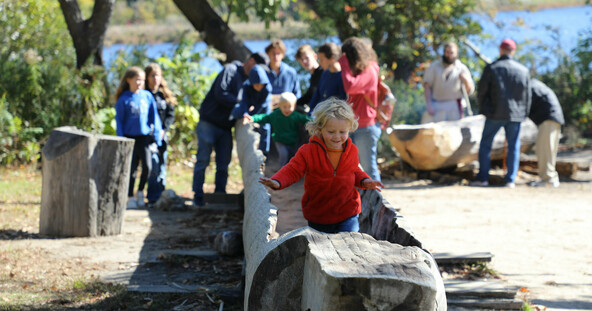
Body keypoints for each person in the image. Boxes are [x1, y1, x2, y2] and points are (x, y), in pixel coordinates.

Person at [259, 98, 384, 233]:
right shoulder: (308, 151)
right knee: (323, 249)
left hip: (348, 212)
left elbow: (354, 171)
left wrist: (365, 181)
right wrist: (278, 181)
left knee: (348, 242)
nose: (337, 136)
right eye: (331, 132)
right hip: (319, 215)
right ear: (319, 129)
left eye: (342, 132)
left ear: (349, 129)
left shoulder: (351, 150)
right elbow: (292, 169)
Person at [192, 52, 269, 207]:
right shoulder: (231, 70)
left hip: (227, 127)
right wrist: (241, 106)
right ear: (251, 61)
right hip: (209, 122)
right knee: (203, 160)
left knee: (223, 163)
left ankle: (219, 196)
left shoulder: (251, 81)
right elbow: (221, 93)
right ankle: (198, 197)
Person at [472, 39, 531, 188]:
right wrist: (524, 113)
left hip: (494, 114)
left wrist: (485, 110)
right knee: (514, 146)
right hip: (515, 115)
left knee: (486, 144)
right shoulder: (523, 70)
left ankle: (483, 178)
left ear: (500, 50)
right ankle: (510, 180)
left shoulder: (492, 68)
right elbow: (527, 96)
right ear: (513, 51)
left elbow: (481, 92)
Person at [115, 66, 163, 208]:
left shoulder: (147, 96)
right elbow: (119, 121)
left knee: (148, 167)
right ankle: (130, 196)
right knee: (131, 169)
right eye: (137, 79)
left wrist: (157, 135)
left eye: (142, 80)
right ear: (128, 80)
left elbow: (154, 117)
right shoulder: (123, 99)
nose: (140, 83)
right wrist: (121, 139)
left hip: (144, 137)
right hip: (129, 138)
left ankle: (141, 191)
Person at [338, 37, 382, 182]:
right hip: (353, 126)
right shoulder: (358, 72)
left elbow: (350, 86)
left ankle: (379, 202)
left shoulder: (370, 70)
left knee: (369, 169)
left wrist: (343, 64)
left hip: (366, 127)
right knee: (352, 168)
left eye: (347, 57)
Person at [244, 92, 311, 166]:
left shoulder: (296, 115)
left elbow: (306, 119)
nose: (287, 109)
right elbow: (265, 117)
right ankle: (280, 171)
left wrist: (316, 120)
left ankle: (291, 171)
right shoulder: (276, 115)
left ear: (294, 106)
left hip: (293, 141)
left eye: (289, 107)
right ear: (279, 106)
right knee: (283, 156)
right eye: (284, 107)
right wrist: (253, 118)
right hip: (280, 140)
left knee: (294, 157)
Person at [144, 63, 176, 206]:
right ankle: (152, 197)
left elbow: (170, 114)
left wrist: (164, 129)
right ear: (147, 77)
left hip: (163, 135)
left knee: (162, 166)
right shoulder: (144, 94)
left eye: (158, 75)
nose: (155, 78)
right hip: (149, 137)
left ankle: (161, 195)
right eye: (152, 75)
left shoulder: (164, 95)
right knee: (153, 166)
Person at [422, 42, 475, 123]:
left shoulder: (462, 68)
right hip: (436, 105)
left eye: (452, 53)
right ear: (444, 52)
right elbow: (427, 86)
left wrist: (465, 80)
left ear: (456, 54)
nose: (449, 55)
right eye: (447, 52)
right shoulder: (434, 67)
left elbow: (469, 91)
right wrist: (429, 105)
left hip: (455, 107)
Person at [528, 78, 564, 187]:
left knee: (544, 150)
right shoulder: (536, 84)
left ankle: (549, 180)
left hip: (548, 119)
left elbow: (525, 106)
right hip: (553, 118)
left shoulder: (530, 86)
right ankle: (549, 178)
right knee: (547, 150)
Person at [230, 64, 273, 154]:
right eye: (256, 84)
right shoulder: (246, 86)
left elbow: (262, 104)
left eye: (260, 84)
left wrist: (252, 117)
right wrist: (245, 114)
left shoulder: (267, 88)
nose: (258, 87)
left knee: (265, 126)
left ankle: (264, 152)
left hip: (263, 106)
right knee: (237, 110)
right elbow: (244, 102)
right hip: (250, 104)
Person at [309, 42, 347, 114]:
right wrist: (310, 112)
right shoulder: (325, 73)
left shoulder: (342, 76)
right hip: (320, 115)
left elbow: (343, 102)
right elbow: (317, 95)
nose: (320, 63)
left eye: (322, 60)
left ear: (332, 59)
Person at [265, 39, 301, 107]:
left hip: (287, 111)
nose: (276, 56)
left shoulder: (290, 72)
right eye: (273, 53)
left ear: (283, 55)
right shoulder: (263, 72)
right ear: (268, 54)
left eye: (278, 53)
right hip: (267, 110)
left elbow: (297, 94)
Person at [294, 44, 324, 113]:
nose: (304, 61)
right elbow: (309, 96)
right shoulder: (313, 76)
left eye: (306, 58)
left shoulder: (323, 73)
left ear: (315, 56)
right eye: (301, 60)